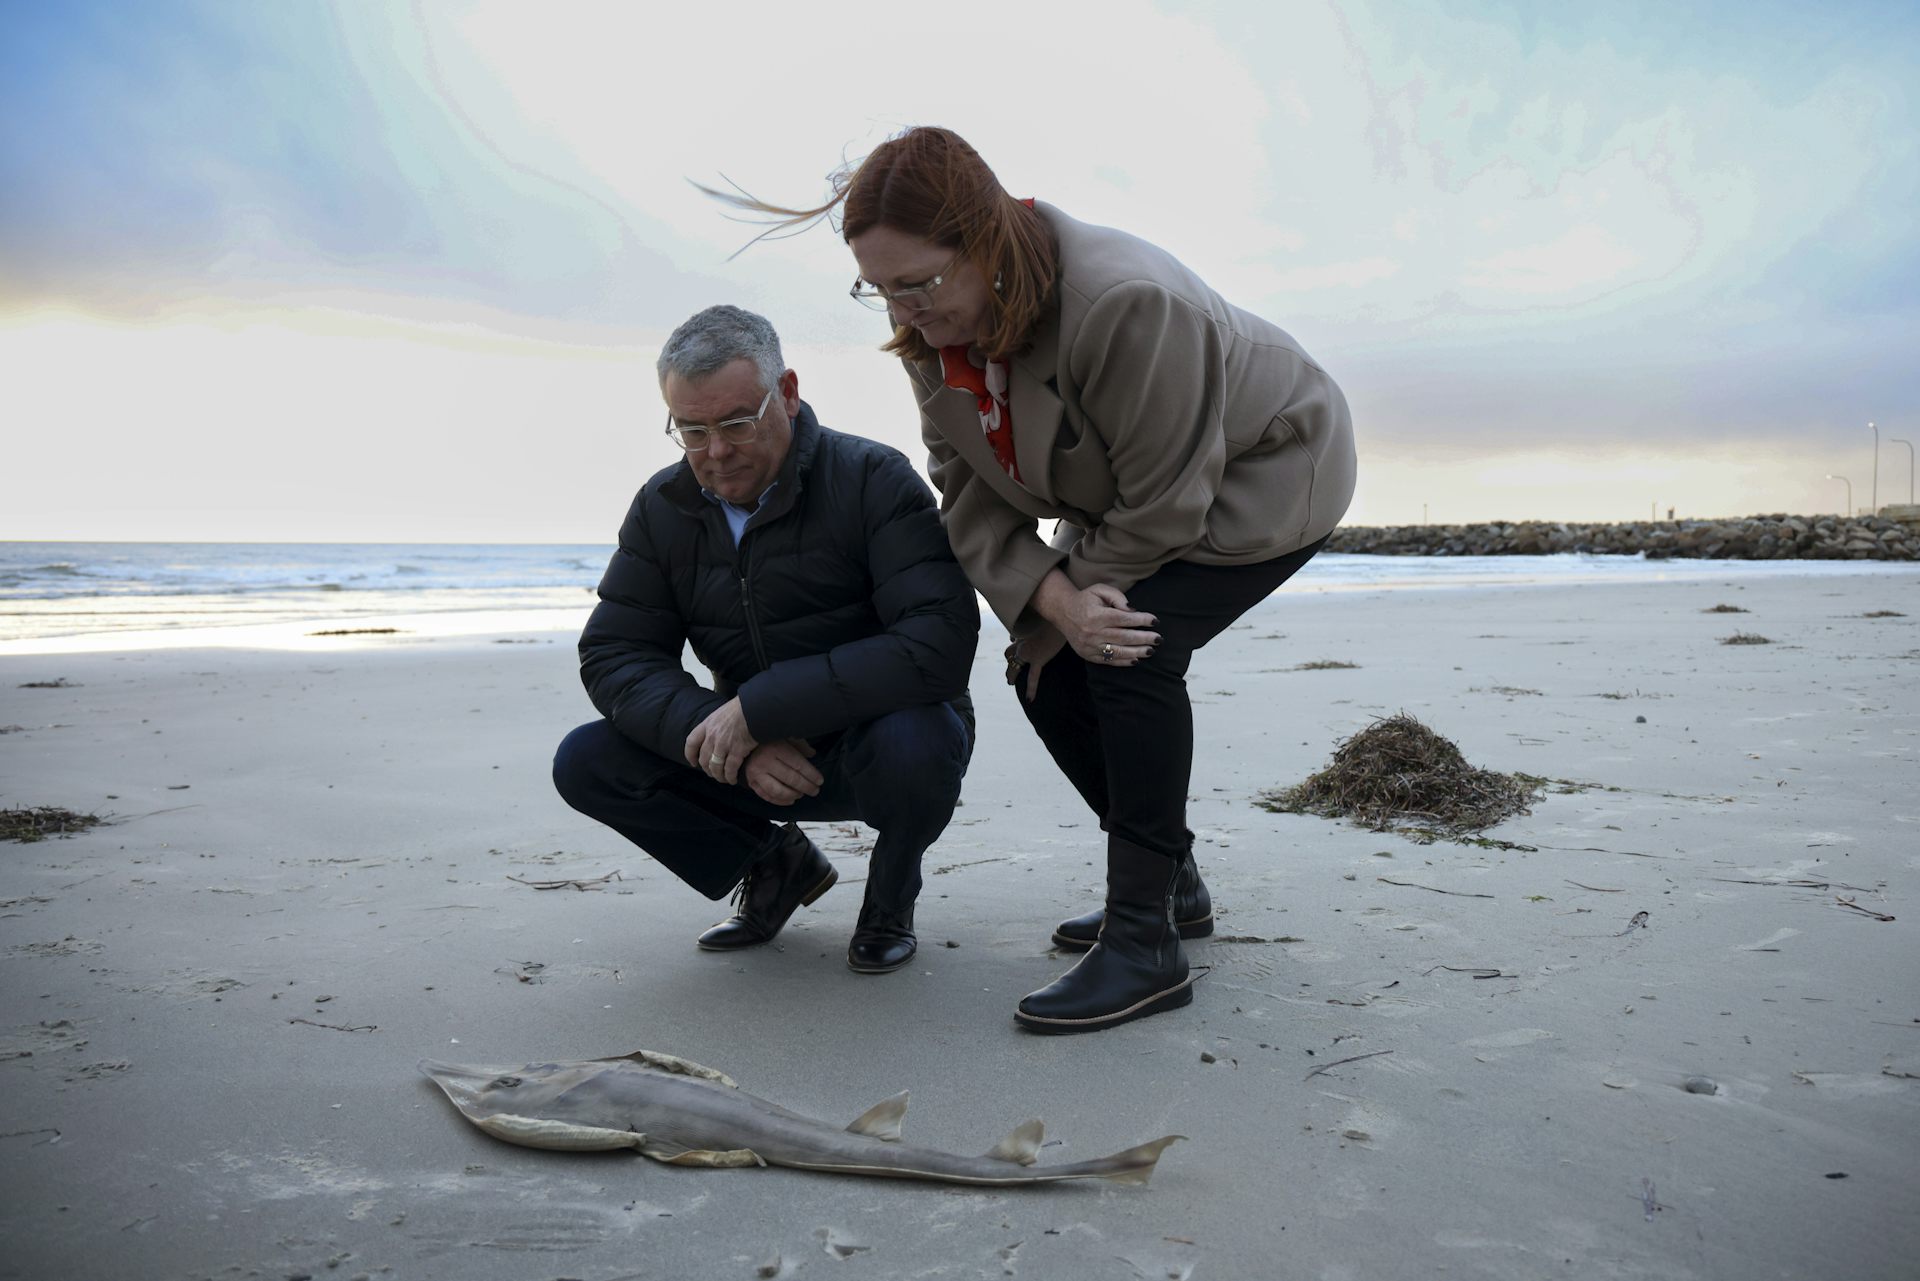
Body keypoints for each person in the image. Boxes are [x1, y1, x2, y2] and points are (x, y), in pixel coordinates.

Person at [714, 127, 1356, 1032]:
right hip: (1124, 500)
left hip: (1260, 475)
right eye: (879, 289)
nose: (903, 312)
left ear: (984, 240)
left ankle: (1144, 940)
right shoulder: (931, 334)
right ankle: (1174, 882)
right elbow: (965, 490)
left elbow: (1168, 503)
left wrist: (1078, 610)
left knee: (1127, 651)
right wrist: (1052, 603)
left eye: (918, 284)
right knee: (1040, 668)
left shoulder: (1127, 302)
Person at [552, 304, 979, 975]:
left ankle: (892, 892)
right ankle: (775, 863)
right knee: (588, 760)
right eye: (691, 431)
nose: (715, 452)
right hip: (752, 755)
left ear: (787, 392)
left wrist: (761, 708)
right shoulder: (662, 509)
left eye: (735, 423)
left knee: (917, 738)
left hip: (876, 747)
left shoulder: (873, 478)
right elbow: (615, 653)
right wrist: (728, 734)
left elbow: (937, 643)